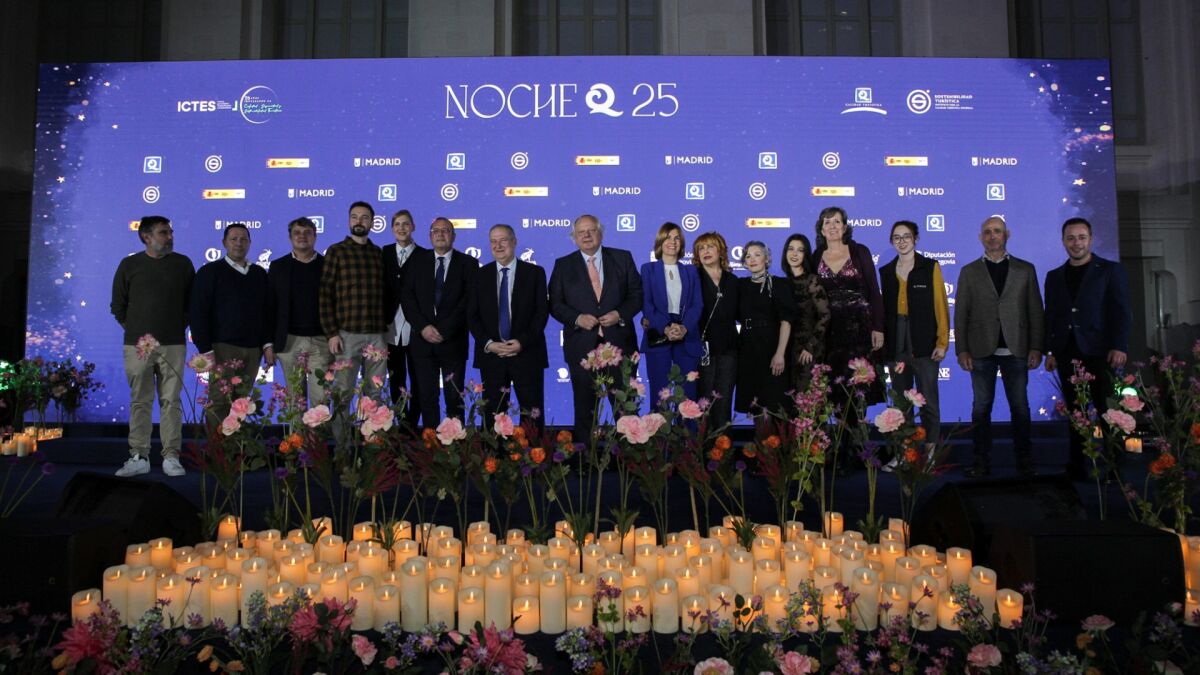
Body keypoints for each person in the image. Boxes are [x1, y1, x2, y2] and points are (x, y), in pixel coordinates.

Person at [955, 216, 1044, 477]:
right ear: (980, 237)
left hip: (1017, 350)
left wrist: (1036, 347)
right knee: (981, 408)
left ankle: (1024, 461)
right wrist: (962, 349)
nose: (992, 236)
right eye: (987, 232)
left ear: (1007, 235)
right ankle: (981, 461)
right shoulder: (969, 271)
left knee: (1020, 407)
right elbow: (960, 315)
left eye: (997, 231)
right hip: (980, 351)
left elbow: (1035, 311)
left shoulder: (1025, 270)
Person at [1044, 216, 1131, 479]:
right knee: (1075, 413)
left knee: (1108, 412)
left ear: (1090, 239)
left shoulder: (1110, 270)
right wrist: (1050, 351)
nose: (1076, 243)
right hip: (1066, 352)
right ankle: (1078, 467)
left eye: (1081, 237)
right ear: (1063, 241)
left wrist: (1119, 345)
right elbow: (1051, 316)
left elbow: (1122, 311)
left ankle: (1115, 468)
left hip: (1102, 352)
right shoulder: (1054, 276)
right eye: (1070, 238)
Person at [110, 215, 194, 477]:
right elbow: (118, 305)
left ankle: (171, 456)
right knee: (140, 401)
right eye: (163, 232)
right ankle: (139, 455)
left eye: (170, 232)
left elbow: (191, 303)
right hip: (138, 346)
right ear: (146, 236)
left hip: (174, 344)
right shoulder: (129, 265)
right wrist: (138, 330)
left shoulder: (182, 264)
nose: (169, 237)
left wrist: (175, 326)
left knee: (171, 401)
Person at [548, 214, 642, 442]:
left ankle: (629, 456)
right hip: (581, 346)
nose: (587, 235)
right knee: (584, 410)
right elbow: (555, 304)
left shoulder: (622, 258)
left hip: (620, 344)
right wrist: (577, 318)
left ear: (601, 233)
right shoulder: (563, 265)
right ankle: (585, 458)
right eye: (581, 232)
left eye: (591, 230)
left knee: (625, 409)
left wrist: (619, 314)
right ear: (574, 237)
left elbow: (637, 295)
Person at [880, 221, 949, 468]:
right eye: (896, 237)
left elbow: (941, 305)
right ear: (891, 241)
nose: (902, 241)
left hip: (924, 341)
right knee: (901, 401)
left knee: (928, 400)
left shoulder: (930, 267)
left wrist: (942, 342)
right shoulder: (886, 271)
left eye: (906, 236)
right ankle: (904, 455)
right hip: (896, 341)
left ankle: (929, 455)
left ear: (916, 239)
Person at [190, 223, 273, 426]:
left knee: (241, 404)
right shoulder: (210, 272)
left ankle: (237, 446)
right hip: (221, 349)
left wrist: (266, 344)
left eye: (243, 239)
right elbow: (198, 312)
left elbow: (267, 313)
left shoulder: (259, 274)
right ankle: (216, 446)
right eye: (234, 239)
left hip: (253, 350)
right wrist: (206, 349)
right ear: (224, 243)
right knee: (219, 401)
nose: (239, 243)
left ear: (250, 243)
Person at [467, 224, 548, 431]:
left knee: (532, 416)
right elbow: (472, 316)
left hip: (527, 354)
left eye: (503, 240)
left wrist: (522, 342)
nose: (498, 246)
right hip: (492, 357)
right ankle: (494, 453)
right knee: (493, 417)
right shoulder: (479, 275)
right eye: (493, 241)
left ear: (514, 242)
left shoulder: (535, 273)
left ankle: (534, 452)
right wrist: (488, 344)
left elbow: (541, 314)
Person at [400, 217, 479, 426]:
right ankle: (430, 442)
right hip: (422, 342)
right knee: (427, 398)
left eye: (445, 230)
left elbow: (469, 301)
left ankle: (456, 442)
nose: (440, 234)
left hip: (453, 342)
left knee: (454, 400)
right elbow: (407, 298)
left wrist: (445, 329)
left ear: (454, 236)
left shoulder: (468, 264)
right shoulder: (416, 261)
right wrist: (423, 327)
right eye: (436, 230)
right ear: (430, 236)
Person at [813, 206, 885, 412]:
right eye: (827, 222)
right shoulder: (816, 256)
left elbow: (874, 291)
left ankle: (858, 433)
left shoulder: (860, 251)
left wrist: (878, 328)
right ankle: (838, 434)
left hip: (860, 331)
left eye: (837, 221)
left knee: (858, 391)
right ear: (821, 229)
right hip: (830, 333)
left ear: (845, 227)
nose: (832, 226)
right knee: (835, 391)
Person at [318, 201, 388, 401]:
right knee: (343, 391)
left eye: (365, 218)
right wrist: (332, 333)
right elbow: (325, 294)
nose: (359, 221)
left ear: (372, 222)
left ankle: (372, 424)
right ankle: (341, 425)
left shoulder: (378, 253)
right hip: (347, 334)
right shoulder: (336, 251)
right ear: (349, 221)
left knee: (375, 392)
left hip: (377, 334)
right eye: (355, 217)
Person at [267, 217, 333, 406]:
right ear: (290, 237)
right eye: (297, 233)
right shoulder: (278, 267)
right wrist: (268, 343)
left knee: (321, 401)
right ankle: (297, 428)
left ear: (315, 236)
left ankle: (318, 428)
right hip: (288, 342)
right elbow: (270, 307)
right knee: (295, 403)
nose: (302, 236)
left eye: (307, 233)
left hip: (321, 342)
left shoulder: (328, 266)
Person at [641, 222, 703, 404]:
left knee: (688, 396)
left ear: (681, 243)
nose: (672, 242)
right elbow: (647, 304)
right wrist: (666, 328)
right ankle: (659, 425)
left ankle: (688, 425)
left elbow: (697, 304)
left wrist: (684, 328)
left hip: (686, 335)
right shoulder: (648, 269)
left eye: (677, 238)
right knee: (660, 396)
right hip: (659, 333)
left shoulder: (691, 271)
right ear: (660, 241)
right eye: (668, 237)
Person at [734, 241, 796, 417]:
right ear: (744, 262)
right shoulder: (740, 285)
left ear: (767, 259)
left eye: (757, 255)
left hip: (772, 346)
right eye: (748, 256)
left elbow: (786, 321)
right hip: (747, 347)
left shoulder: (779, 284)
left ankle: (778, 435)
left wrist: (780, 353)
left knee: (775, 401)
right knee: (754, 404)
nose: (752, 259)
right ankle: (759, 434)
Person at [383, 209, 425, 430]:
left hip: (416, 327)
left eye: (406, 224)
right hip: (390, 327)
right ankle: (401, 421)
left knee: (418, 379)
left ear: (413, 227)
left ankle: (413, 425)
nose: (402, 228)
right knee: (395, 378)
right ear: (392, 228)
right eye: (397, 224)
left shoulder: (425, 255)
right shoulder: (384, 253)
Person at [693, 232, 739, 430]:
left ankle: (723, 448)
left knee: (723, 402)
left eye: (710, 246)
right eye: (701, 248)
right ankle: (700, 448)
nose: (705, 251)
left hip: (729, 348)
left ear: (720, 251)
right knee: (702, 403)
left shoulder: (733, 280)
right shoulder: (692, 278)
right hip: (702, 348)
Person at [782, 233, 829, 391]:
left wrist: (810, 346)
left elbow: (825, 315)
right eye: (791, 249)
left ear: (806, 255)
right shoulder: (782, 283)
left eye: (800, 250)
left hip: (809, 350)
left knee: (807, 398)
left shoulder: (812, 281)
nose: (794, 254)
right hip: (787, 349)